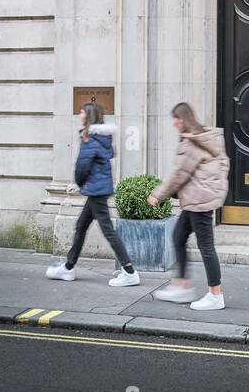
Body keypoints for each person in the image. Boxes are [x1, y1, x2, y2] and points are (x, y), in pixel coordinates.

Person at [46, 102, 140, 286]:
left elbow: (82, 165)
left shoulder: (90, 137)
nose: (79, 114)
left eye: (81, 112)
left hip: (96, 191)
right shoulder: (102, 138)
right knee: (81, 226)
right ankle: (68, 267)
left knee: (108, 231)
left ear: (88, 115)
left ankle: (130, 272)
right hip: (97, 189)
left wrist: (79, 183)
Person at [148, 102, 230, 311]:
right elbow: (222, 165)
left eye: (176, 118)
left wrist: (158, 194)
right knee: (178, 237)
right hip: (196, 199)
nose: (174, 123)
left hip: (198, 201)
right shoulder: (204, 137)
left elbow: (178, 175)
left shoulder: (192, 142)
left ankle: (215, 294)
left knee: (206, 247)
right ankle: (182, 284)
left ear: (184, 119)